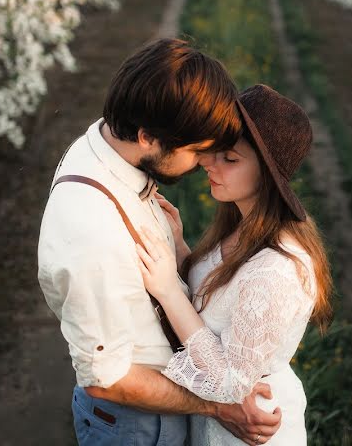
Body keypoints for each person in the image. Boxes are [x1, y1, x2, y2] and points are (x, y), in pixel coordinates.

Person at [37, 39, 284, 446]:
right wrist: (217, 405)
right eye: (197, 150)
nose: (206, 162)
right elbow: (107, 380)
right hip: (135, 424)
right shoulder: (91, 232)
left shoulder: (104, 144)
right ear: (148, 137)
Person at [136, 84, 335, 445]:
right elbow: (215, 301)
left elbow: (230, 383)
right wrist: (181, 248)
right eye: (214, 151)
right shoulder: (239, 228)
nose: (209, 163)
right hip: (215, 426)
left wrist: (167, 291)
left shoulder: (276, 270)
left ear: (268, 176)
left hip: (251, 429)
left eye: (230, 158)